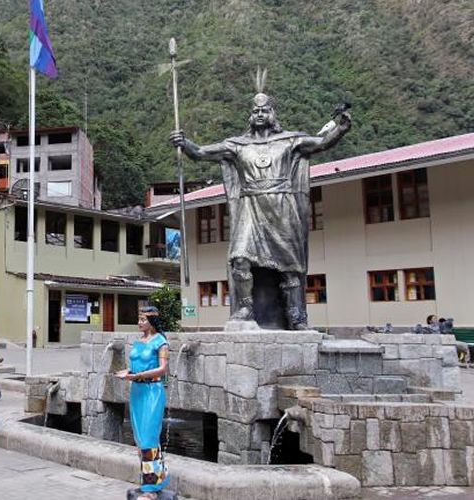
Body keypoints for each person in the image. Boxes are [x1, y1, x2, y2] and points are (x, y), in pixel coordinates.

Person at [170, 72, 351, 330]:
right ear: (250, 115)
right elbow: (200, 153)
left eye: (265, 110)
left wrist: (341, 129)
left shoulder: (289, 140)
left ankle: (296, 316)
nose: (260, 114)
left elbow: (321, 142)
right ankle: (245, 308)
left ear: (272, 113)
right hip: (250, 207)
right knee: (240, 257)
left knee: (290, 265)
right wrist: (184, 142)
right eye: (255, 110)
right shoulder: (237, 145)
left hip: (281, 207)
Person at [116, 306, 170, 498]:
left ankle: (151, 491)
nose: (139, 323)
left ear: (152, 321)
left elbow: (163, 369)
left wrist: (136, 375)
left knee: (149, 438)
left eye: (142, 319)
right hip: (137, 392)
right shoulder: (139, 342)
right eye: (138, 319)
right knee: (140, 441)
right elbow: (134, 366)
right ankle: (155, 478)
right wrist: (128, 373)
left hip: (152, 392)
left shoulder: (161, 342)